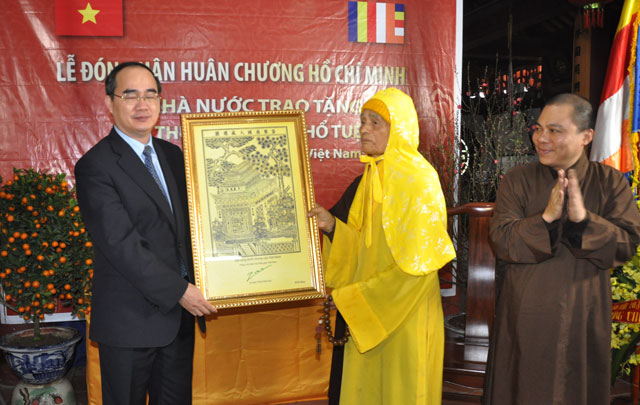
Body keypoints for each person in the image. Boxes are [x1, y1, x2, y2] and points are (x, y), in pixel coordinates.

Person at [74, 61, 217, 405]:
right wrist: (180, 291)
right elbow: (121, 245)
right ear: (109, 103)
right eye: (130, 95)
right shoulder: (95, 166)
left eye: (150, 95)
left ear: (160, 102)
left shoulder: (173, 155)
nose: (142, 105)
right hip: (129, 324)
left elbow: (194, 227)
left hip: (178, 321)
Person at [483, 93, 640, 404]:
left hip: (583, 315)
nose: (541, 138)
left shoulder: (610, 183)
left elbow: (626, 245)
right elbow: (501, 240)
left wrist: (584, 222)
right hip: (525, 316)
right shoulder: (517, 180)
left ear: (586, 136)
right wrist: (546, 218)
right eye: (539, 129)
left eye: (554, 130)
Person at [308, 88, 455, 404]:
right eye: (362, 121)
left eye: (375, 122)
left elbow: (418, 269)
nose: (364, 129)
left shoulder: (419, 180)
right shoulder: (369, 178)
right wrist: (332, 226)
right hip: (370, 315)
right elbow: (363, 248)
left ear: (400, 128)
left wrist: (359, 300)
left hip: (404, 315)